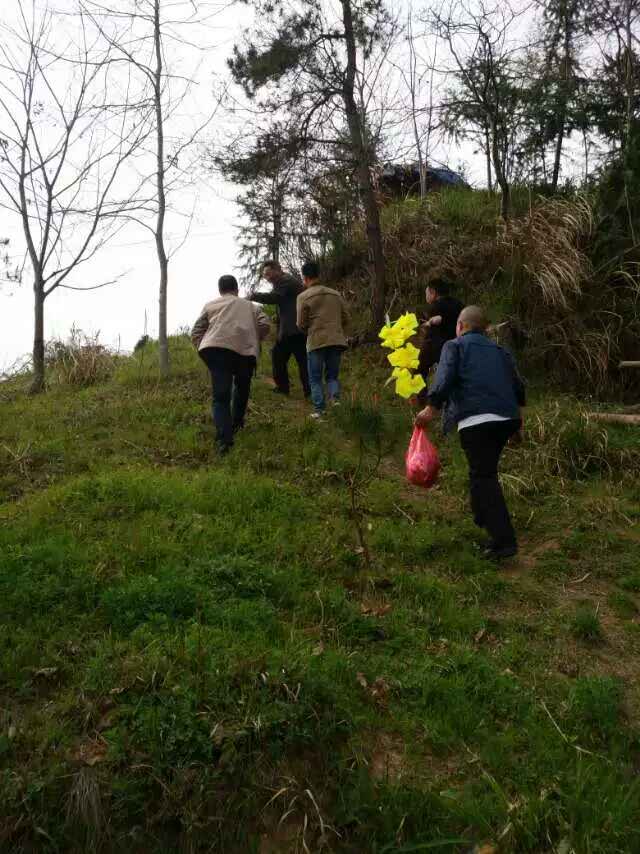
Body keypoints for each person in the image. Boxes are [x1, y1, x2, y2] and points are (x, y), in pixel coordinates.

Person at [415, 305, 525, 560]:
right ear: (485, 329)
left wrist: (430, 409)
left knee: (484, 476)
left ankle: (503, 541)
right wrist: (518, 427)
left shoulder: (454, 346)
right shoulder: (501, 351)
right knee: (482, 473)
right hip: (506, 419)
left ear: (460, 326)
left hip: (477, 420)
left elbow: (444, 378)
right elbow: (518, 388)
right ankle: (481, 515)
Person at [191, 274, 270, 454]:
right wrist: (254, 339)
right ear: (237, 289)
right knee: (242, 387)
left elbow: (196, 331)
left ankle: (224, 441)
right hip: (245, 352)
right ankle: (237, 423)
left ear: (220, 290)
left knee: (220, 397)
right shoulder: (251, 306)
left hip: (216, 350)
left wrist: (202, 347)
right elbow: (265, 324)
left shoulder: (211, 305)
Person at [250, 260, 311, 398]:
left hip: (294, 331)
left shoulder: (286, 280)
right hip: (292, 330)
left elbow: (275, 297)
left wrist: (254, 295)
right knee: (284, 358)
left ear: (277, 270)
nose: (267, 277)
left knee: (294, 360)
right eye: (264, 275)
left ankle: (302, 390)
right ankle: (292, 389)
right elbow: (287, 303)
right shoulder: (282, 282)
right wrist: (279, 318)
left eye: (268, 273)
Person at [296, 260, 349, 419]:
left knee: (315, 378)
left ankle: (320, 411)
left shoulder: (303, 296)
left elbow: (300, 323)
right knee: (332, 375)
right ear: (319, 275)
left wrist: (308, 330)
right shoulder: (335, 294)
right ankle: (335, 400)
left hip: (316, 341)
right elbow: (346, 317)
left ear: (305, 278)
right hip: (336, 339)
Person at [417, 277, 464, 403]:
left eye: (426, 293)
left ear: (432, 292)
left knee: (418, 370)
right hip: (458, 345)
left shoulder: (434, 307)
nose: (426, 296)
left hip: (438, 346)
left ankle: (423, 401)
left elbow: (431, 331)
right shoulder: (459, 304)